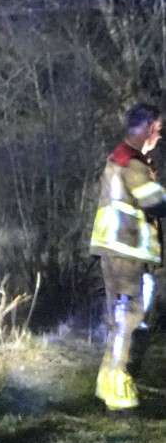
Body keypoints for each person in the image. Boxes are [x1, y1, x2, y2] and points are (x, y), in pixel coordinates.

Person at [88, 102, 166, 413]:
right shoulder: (131, 164)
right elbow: (155, 203)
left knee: (123, 320)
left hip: (121, 252)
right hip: (125, 254)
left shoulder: (123, 159)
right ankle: (116, 387)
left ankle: (109, 381)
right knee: (126, 319)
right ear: (148, 128)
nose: (159, 136)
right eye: (158, 130)